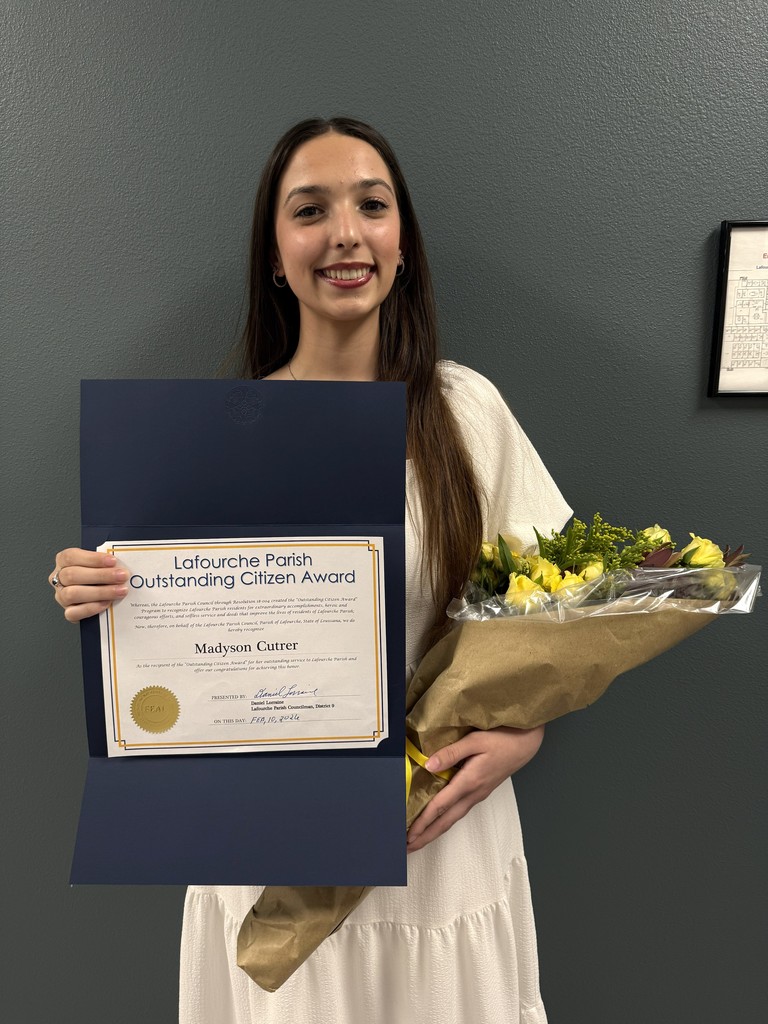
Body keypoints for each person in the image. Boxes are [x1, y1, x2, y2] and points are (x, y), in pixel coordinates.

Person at [50, 117, 571, 1024]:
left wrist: (527, 738)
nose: (345, 233)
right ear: (274, 254)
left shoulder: (466, 410)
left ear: (402, 245)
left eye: (372, 205)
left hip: (436, 843)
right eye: (310, 210)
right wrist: (96, 595)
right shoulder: (213, 436)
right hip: (267, 860)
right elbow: (169, 648)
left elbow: (563, 617)